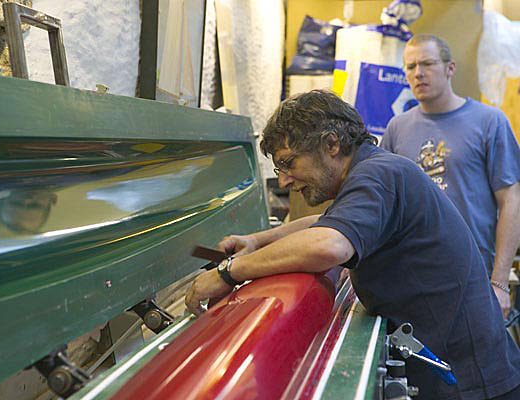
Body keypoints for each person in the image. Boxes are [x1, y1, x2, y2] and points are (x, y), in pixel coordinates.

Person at [184, 90, 520, 399]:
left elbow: (329, 245)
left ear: (331, 144)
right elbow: (325, 223)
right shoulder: (373, 170)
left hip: (470, 380)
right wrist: (256, 241)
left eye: (288, 162)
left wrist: (228, 272)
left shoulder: (377, 174)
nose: (283, 180)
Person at [381, 34, 520, 319]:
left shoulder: (489, 122)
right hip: (410, 276)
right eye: (411, 66)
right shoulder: (397, 128)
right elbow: (382, 202)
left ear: (450, 68)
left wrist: (499, 282)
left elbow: (511, 201)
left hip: (472, 275)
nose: (418, 73)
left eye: (427, 63)